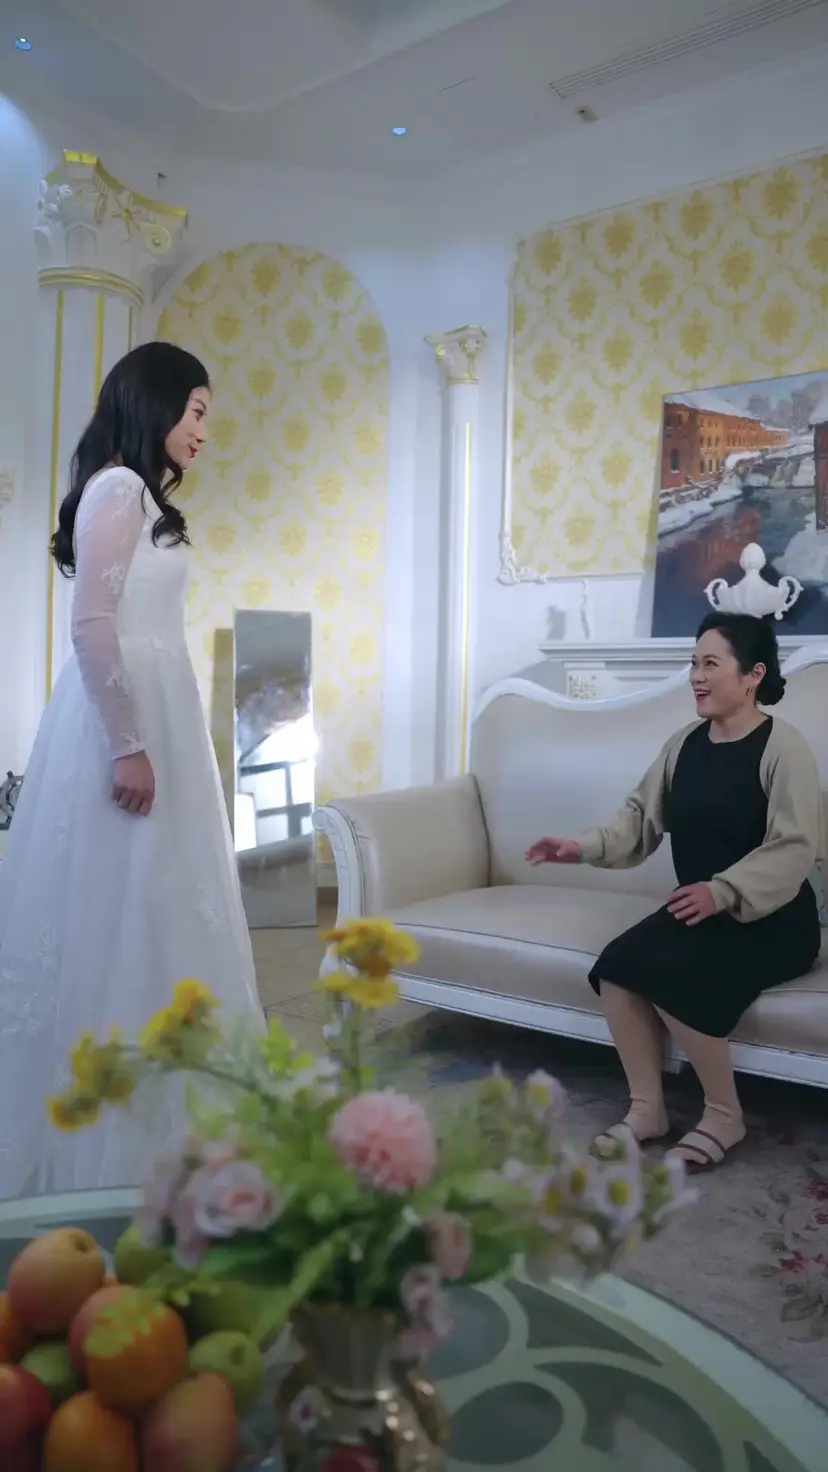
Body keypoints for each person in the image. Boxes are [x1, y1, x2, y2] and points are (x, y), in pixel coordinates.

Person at [0, 342, 264, 1198]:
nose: (203, 431)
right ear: (156, 404)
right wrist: (128, 743)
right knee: (119, 903)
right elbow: (91, 624)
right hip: (127, 721)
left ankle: (166, 1113)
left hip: (156, 709)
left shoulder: (136, 492)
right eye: (196, 411)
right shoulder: (117, 488)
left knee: (153, 906)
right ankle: (109, 1142)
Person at [526, 612, 823, 1172]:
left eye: (710, 664)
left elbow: (794, 848)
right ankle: (648, 1110)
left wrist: (724, 890)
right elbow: (638, 819)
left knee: (674, 974)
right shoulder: (684, 744)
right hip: (700, 908)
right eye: (693, 663)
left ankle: (724, 1114)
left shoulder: (784, 749)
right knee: (617, 968)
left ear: (753, 674)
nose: (696, 677)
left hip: (776, 918)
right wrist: (579, 847)